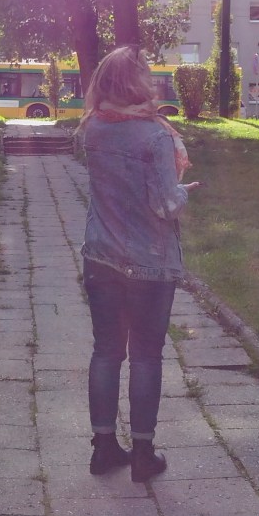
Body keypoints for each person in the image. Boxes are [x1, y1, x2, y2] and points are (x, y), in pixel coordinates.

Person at [76, 45, 200, 483]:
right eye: (146, 74)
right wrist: (185, 191)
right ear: (136, 82)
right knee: (146, 356)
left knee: (106, 351)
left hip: (101, 256)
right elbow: (165, 204)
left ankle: (103, 448)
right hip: (150, 262)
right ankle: (144, 455)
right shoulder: (155, 136)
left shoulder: (93, 128)